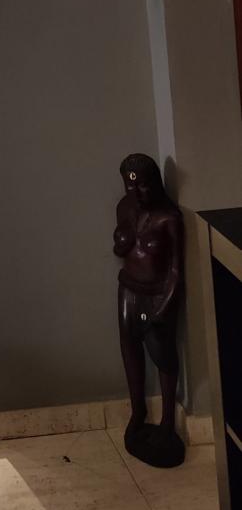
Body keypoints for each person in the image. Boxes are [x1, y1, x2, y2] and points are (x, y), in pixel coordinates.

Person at [113, 153, 185, 467]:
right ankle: (137, 411)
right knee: (129, 347)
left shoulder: (169, 218)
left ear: (154, 183)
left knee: (162, 353)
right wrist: (121, 241)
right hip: (128, 288)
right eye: (130, 186)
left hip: (156, 293)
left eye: (142, 186)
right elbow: (120, 250)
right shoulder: (124, 208)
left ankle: (168, 421)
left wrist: (165, 303)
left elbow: (176, 270)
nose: (136, 193)